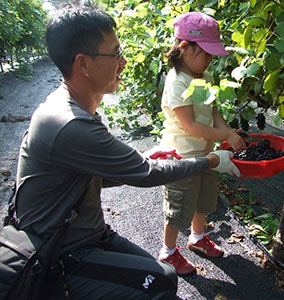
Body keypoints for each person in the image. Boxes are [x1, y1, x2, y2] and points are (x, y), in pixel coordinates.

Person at [13, 2, 240, 300]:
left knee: (162, 277)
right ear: (83, 64)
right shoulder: (70, 123)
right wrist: (210, 161)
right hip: (57, 253)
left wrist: (144, 159)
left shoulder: (78, 110)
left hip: (90, 237)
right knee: (159, 283)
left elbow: (92, 175)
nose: (123, 61)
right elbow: (145, 174)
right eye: (116, 52)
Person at [158, 11, 246, 276]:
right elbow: (191, 126)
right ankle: (168, 252)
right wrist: (225, 137)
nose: (210, 59)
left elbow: (213, 111)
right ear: (184, 48)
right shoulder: (177, 82)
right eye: (206, 53)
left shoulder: (204, 78)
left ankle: (197, 238)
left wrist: (228, 132)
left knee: (203, 200)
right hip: (182, 159)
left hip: (205, 155)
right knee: (178, 208)